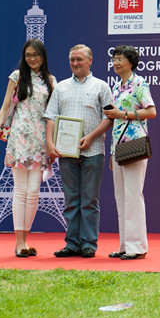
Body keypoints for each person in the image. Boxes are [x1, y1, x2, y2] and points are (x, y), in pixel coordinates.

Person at [0, 39, 55, 258]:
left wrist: (52, 142)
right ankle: (19, 242)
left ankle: (26, 239)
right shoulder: (16, 77)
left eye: (36, 54)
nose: (32, 59)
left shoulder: (51, 81)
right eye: (28, 55)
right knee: (20, 190)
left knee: (33, 192)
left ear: (43, 56)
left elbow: (53, 115)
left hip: (40, 140)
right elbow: (6, 106)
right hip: (19, 139)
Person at [45, 44, 113, 258]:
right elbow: (51, 117)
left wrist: (90, 137)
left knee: (89, 200)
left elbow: (109, 117)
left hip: (93, 150)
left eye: (79, 60)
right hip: (66, 153)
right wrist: (49, 143)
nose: (75, 63)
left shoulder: (101, 86)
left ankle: (89, 244)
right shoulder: (61, 87)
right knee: (71, 200)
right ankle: (72, 243)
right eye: (72, 60)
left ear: (90, 61)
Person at [103, 46, 156, 260]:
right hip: (118, 148)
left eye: (120, 59)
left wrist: (123, 114)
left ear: (131, 62)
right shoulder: (117, 86)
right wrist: (111, 153)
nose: (116, 63)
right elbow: (114, 122)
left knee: (133, 196)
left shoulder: (139, 83)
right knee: (121, 197)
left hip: (134, 145)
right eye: (114, 59)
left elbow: (151, 111)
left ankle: (138, 247)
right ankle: (125, 245)